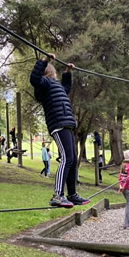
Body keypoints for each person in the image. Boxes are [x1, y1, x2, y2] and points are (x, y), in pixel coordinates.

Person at [30, 53, 90, 208]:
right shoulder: (44, 84)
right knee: (66, 158)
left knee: (72, 159)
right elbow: (34, 79)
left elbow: (66, 88)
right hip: (58, 124)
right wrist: (44, 61)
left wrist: (67, 73)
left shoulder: (56, 86)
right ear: (50, 72)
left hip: (67, 123)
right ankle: (58, 195)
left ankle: (72, 194)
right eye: (55, 72)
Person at [118, 149, 129, 229]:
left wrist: (121, 186)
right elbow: (128, 178)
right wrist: (124, 186)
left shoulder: (123, 164)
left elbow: (120, 177)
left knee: (128, 204)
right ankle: (127, 224)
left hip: (124, 188)